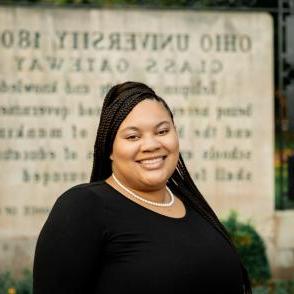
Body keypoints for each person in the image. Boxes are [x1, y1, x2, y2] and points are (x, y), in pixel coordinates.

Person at [33, 81, 252, 294]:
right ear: (109, 148)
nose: (151, 145)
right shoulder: (83, 207)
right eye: (133, 136)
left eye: (162, 131)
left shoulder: (194, 207)